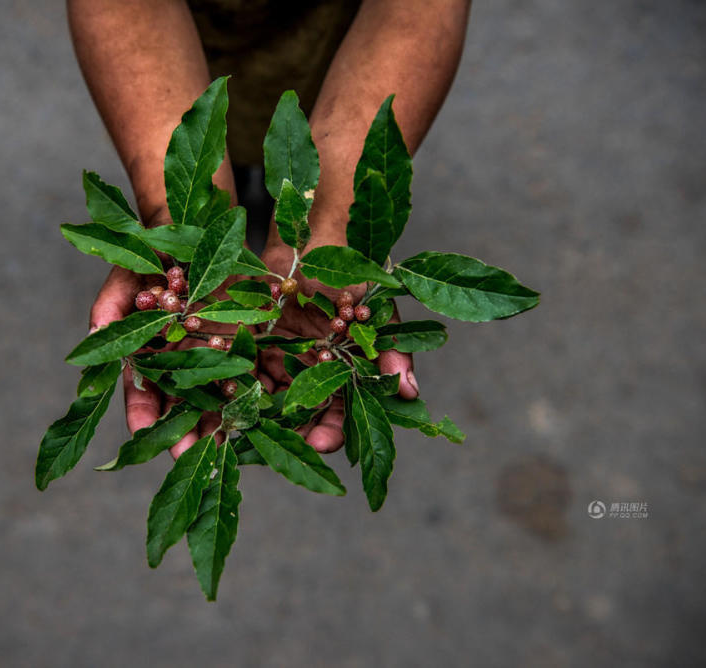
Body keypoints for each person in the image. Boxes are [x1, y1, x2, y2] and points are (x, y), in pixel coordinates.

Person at [67, 0, 470, 456]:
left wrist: (331, 224)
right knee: (235, 163)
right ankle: (239, 205)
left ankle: (254, 209)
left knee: (278, 152)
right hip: (176, 52)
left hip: (345, 51)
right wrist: (178, 224)